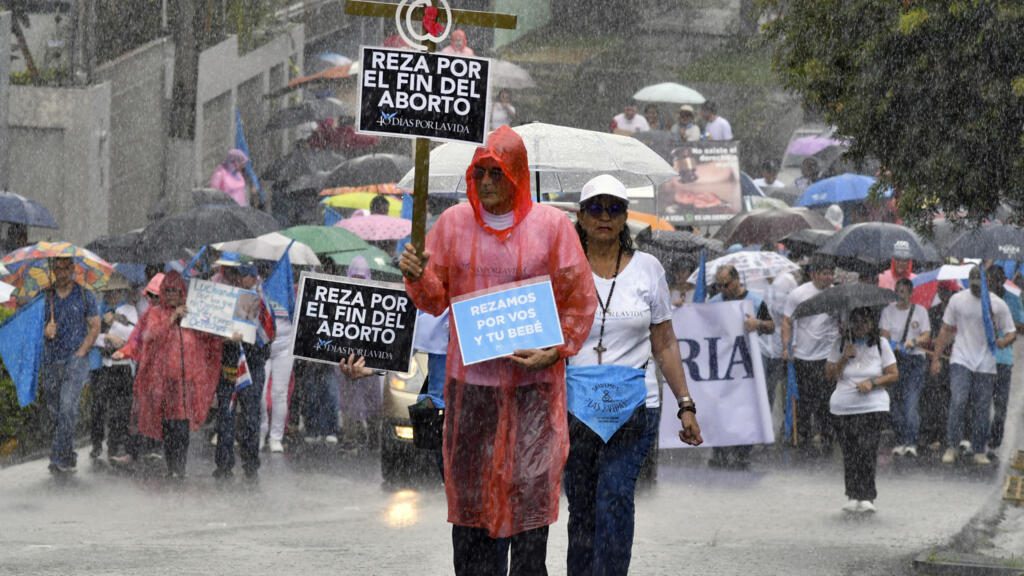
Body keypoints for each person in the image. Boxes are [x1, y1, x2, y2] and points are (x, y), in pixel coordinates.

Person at [398, 125, 597, 575]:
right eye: (480, 173)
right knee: (472, 515)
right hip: (473, 395)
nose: (487, 183)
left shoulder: (551, 227)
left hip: (534, 394)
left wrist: (557, 349)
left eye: (497, 173)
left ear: (518, 175)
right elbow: (433, 299)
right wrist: (415, 274)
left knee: (528, 511)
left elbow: (579, 298)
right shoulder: (452, 225)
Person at [563, 175, 702, 575]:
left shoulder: (648, 269)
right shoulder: (563, 268)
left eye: (614, 209)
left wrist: (685, 406)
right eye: (595, 208)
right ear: (581, 215)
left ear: (625, 217)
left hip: (636, 407)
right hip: (575, 409)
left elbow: (665, 342)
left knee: (616, 496)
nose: (604, 216)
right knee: (583, 506)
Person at [132, 272, 223, 478]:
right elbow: (149, 335)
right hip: (163, 381)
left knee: (182, 424)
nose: (172, 294)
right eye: (168, 290)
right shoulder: (155, 313)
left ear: (183, 292)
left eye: (176, 290)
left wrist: (229, 336)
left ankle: (179, 469)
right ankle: (172, 465)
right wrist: (172, 318)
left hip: (187, 381)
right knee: (168, 425)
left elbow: (209, 337)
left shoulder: (193, 312)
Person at [930, 266, 1016, 465]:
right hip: (961, 359)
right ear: (969, 282)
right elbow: (945, 329)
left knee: (982, 407)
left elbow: (1010, 331)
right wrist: (936, 358)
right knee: (958, 401)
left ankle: (979, 449)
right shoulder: (958, 300)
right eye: (973, 285)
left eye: (980, 285)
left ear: (985, 283)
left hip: (986, 363)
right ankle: (952, 446)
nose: (977, 290)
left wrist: (1004, 341)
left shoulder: (997, 304)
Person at [825, 307, 898, 514]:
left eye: (864, 322)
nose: (860, 327)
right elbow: (830, 375)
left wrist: (872, 383)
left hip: (873, 405)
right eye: (855, 322)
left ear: (871, 324)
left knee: (867, 448)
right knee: (850, 451)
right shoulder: (840, 344)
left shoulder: (881, 345)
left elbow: (893, 374)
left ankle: (867, 495)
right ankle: (852, 494)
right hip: (843, 407)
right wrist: (844, 358)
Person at [212, 255, 274, 480]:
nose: (240, 279)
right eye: (237, 275)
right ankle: (224, 463)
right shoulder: (227, 295)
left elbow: (265, 334)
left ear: (253, 277)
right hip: (230, 361)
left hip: (253, 363)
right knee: (226, 413)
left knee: (250, 414)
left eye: (244, 275)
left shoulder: (260, 299)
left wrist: (245, 337)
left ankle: (250, 464)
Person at [707, 264, 773, 470]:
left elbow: (771, 327)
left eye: (726, 285)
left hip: (749, 363)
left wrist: (758, 324)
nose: (722, 289)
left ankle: (743, 452)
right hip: (723, 363)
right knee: (721, 406)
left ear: (737, 281)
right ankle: (719, 450)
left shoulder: (755, 300)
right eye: (718, 286)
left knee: (746, 407)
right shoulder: (715, 302)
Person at [41, 256, 101, 473]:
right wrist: (45, 331)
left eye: (66, 268)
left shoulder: (85, 295)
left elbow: (95, 325)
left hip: (76, 360)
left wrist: (82, 350)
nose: (62, 272)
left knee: (67, 407)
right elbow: (34, 329)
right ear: (54, 270)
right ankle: (66, 454)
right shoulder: (45, 296)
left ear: (73, 269)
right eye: (58, 268)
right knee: (55, 411)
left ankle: (59, 457)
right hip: (51, 361)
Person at [781, 254, 839, 455]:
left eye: (831, 273)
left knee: (827, 399)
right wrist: (786, 346)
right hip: (804, 356)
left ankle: (827, 437)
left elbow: (843, 322)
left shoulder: (837, 294)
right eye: (824, 273)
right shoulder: (799, 294)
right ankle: (803, 436)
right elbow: (787, 321)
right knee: (805, 399)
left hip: (828, 356)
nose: (828, 277)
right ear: (814, 274)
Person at [879, 278, 930, 457]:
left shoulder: (920, 311)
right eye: (898, 291)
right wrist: (892, 345)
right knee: (894, 402)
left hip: (915, 361)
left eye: (903, 291)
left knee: (911, 402)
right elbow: (884, 335)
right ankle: (900, 439)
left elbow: (926, 335)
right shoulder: (888, 311)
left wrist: (913, 341)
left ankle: (911, 441)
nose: (900, 295)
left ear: (910, 293)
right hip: (895, 360)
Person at [89, 282, 138, 460]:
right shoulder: (98, 309)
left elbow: (134, 336)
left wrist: (121, 340)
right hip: (102, 365)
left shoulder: (129, 310)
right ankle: (96, 443)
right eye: (109, 291)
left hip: (123, 366)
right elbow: (91, 337)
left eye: (116, 291)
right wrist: (106, 335)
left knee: (121, 409)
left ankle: (115, 445)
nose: (113, 295)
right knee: (98, 407)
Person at [338, 256, 383, 449]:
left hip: (369, 356)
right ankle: (351, 437)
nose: (357, 280)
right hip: (345, 355)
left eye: (361, 276)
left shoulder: (379, 299)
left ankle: (374, 436)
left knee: (373, 397)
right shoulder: (338, 296)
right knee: (348, 397)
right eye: (354, 275)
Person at [986, 266, 1024, 456]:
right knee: (981, 403)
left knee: (1000, 405)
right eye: (989, 280)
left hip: (1003, 360)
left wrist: (1006, 324)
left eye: (995, 280)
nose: (992, 283)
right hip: (983, 359)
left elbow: (1021, 326)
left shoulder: (1012, 299)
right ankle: (979, 440)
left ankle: (995, 442)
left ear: (1002, 281)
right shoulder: (981, 299)